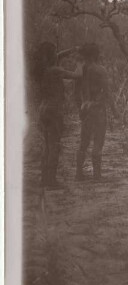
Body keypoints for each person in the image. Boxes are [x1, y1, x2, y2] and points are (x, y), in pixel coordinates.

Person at [33, 42, 81, 189]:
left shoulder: (43, 70)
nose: (57, 54)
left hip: (43, 109)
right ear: (51, 56)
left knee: (47, 146)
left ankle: (44, 179)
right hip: (54, 110)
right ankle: (52, 181)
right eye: (54, 52)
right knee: (54, 146)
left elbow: (58, 56)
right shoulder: (56, 70)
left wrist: (71, 49)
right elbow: (77, 75)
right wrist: (80, 61)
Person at [75, 42, 119, 181]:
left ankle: (78, 173)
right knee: (98, 142)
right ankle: (97, 175)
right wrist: (115, 111)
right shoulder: (100, 70)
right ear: (95, 54)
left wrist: (81, 107)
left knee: (84, 142)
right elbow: (107, 93)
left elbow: (76, 92)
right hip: (98, 108)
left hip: (85, 107)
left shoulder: (81, 70)